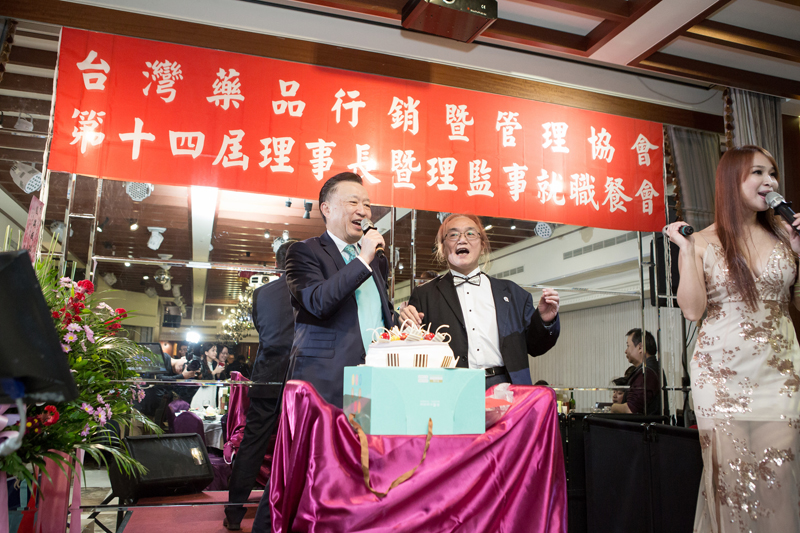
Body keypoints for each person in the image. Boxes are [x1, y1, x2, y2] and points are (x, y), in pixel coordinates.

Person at [665, 145, 800, 532]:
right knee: (730, 481)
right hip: (720, 376)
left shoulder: (786, 237)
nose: (769, 182)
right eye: (758, 173)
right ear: (730, 180)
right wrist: (686, 252)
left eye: (772, 173)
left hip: (778, 374)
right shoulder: (701, 241)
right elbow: (693, 310)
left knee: (780, 477)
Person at [399, 213, 560, 389]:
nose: (462, 240)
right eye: (453, 234)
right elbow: (412, 351)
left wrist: (545, 321)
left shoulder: (514, 294)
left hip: (505, 386)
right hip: (450, 386)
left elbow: (536, 347)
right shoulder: (424, 295)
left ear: (482, 246)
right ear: (443, 248)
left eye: (470, 233)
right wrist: (404, 324)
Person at [285, 172, 393, 408]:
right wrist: (362, 259)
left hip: (375, 376)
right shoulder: (304, 252)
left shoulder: (377, 260)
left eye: (367, 204)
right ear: (326, 208)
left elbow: (374, 313)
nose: (363, 211)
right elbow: (318, 302)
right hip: (325, 380)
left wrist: (399, 317)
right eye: (353, 202)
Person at [224, 240, 297, 532]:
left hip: (266, 373)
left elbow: (261, 330)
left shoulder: (261, 293)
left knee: (252, 444)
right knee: (300, 443)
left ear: (277, 265)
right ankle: (293, 508)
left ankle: (233, 512)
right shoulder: (309, 290)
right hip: (299, 375)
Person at [610, 329, 664, 415]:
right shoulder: (651, 368)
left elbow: (631, 410)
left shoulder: (646, 372)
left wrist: (613, 407)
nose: (626, 351)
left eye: (628, 346)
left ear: (640, 347)